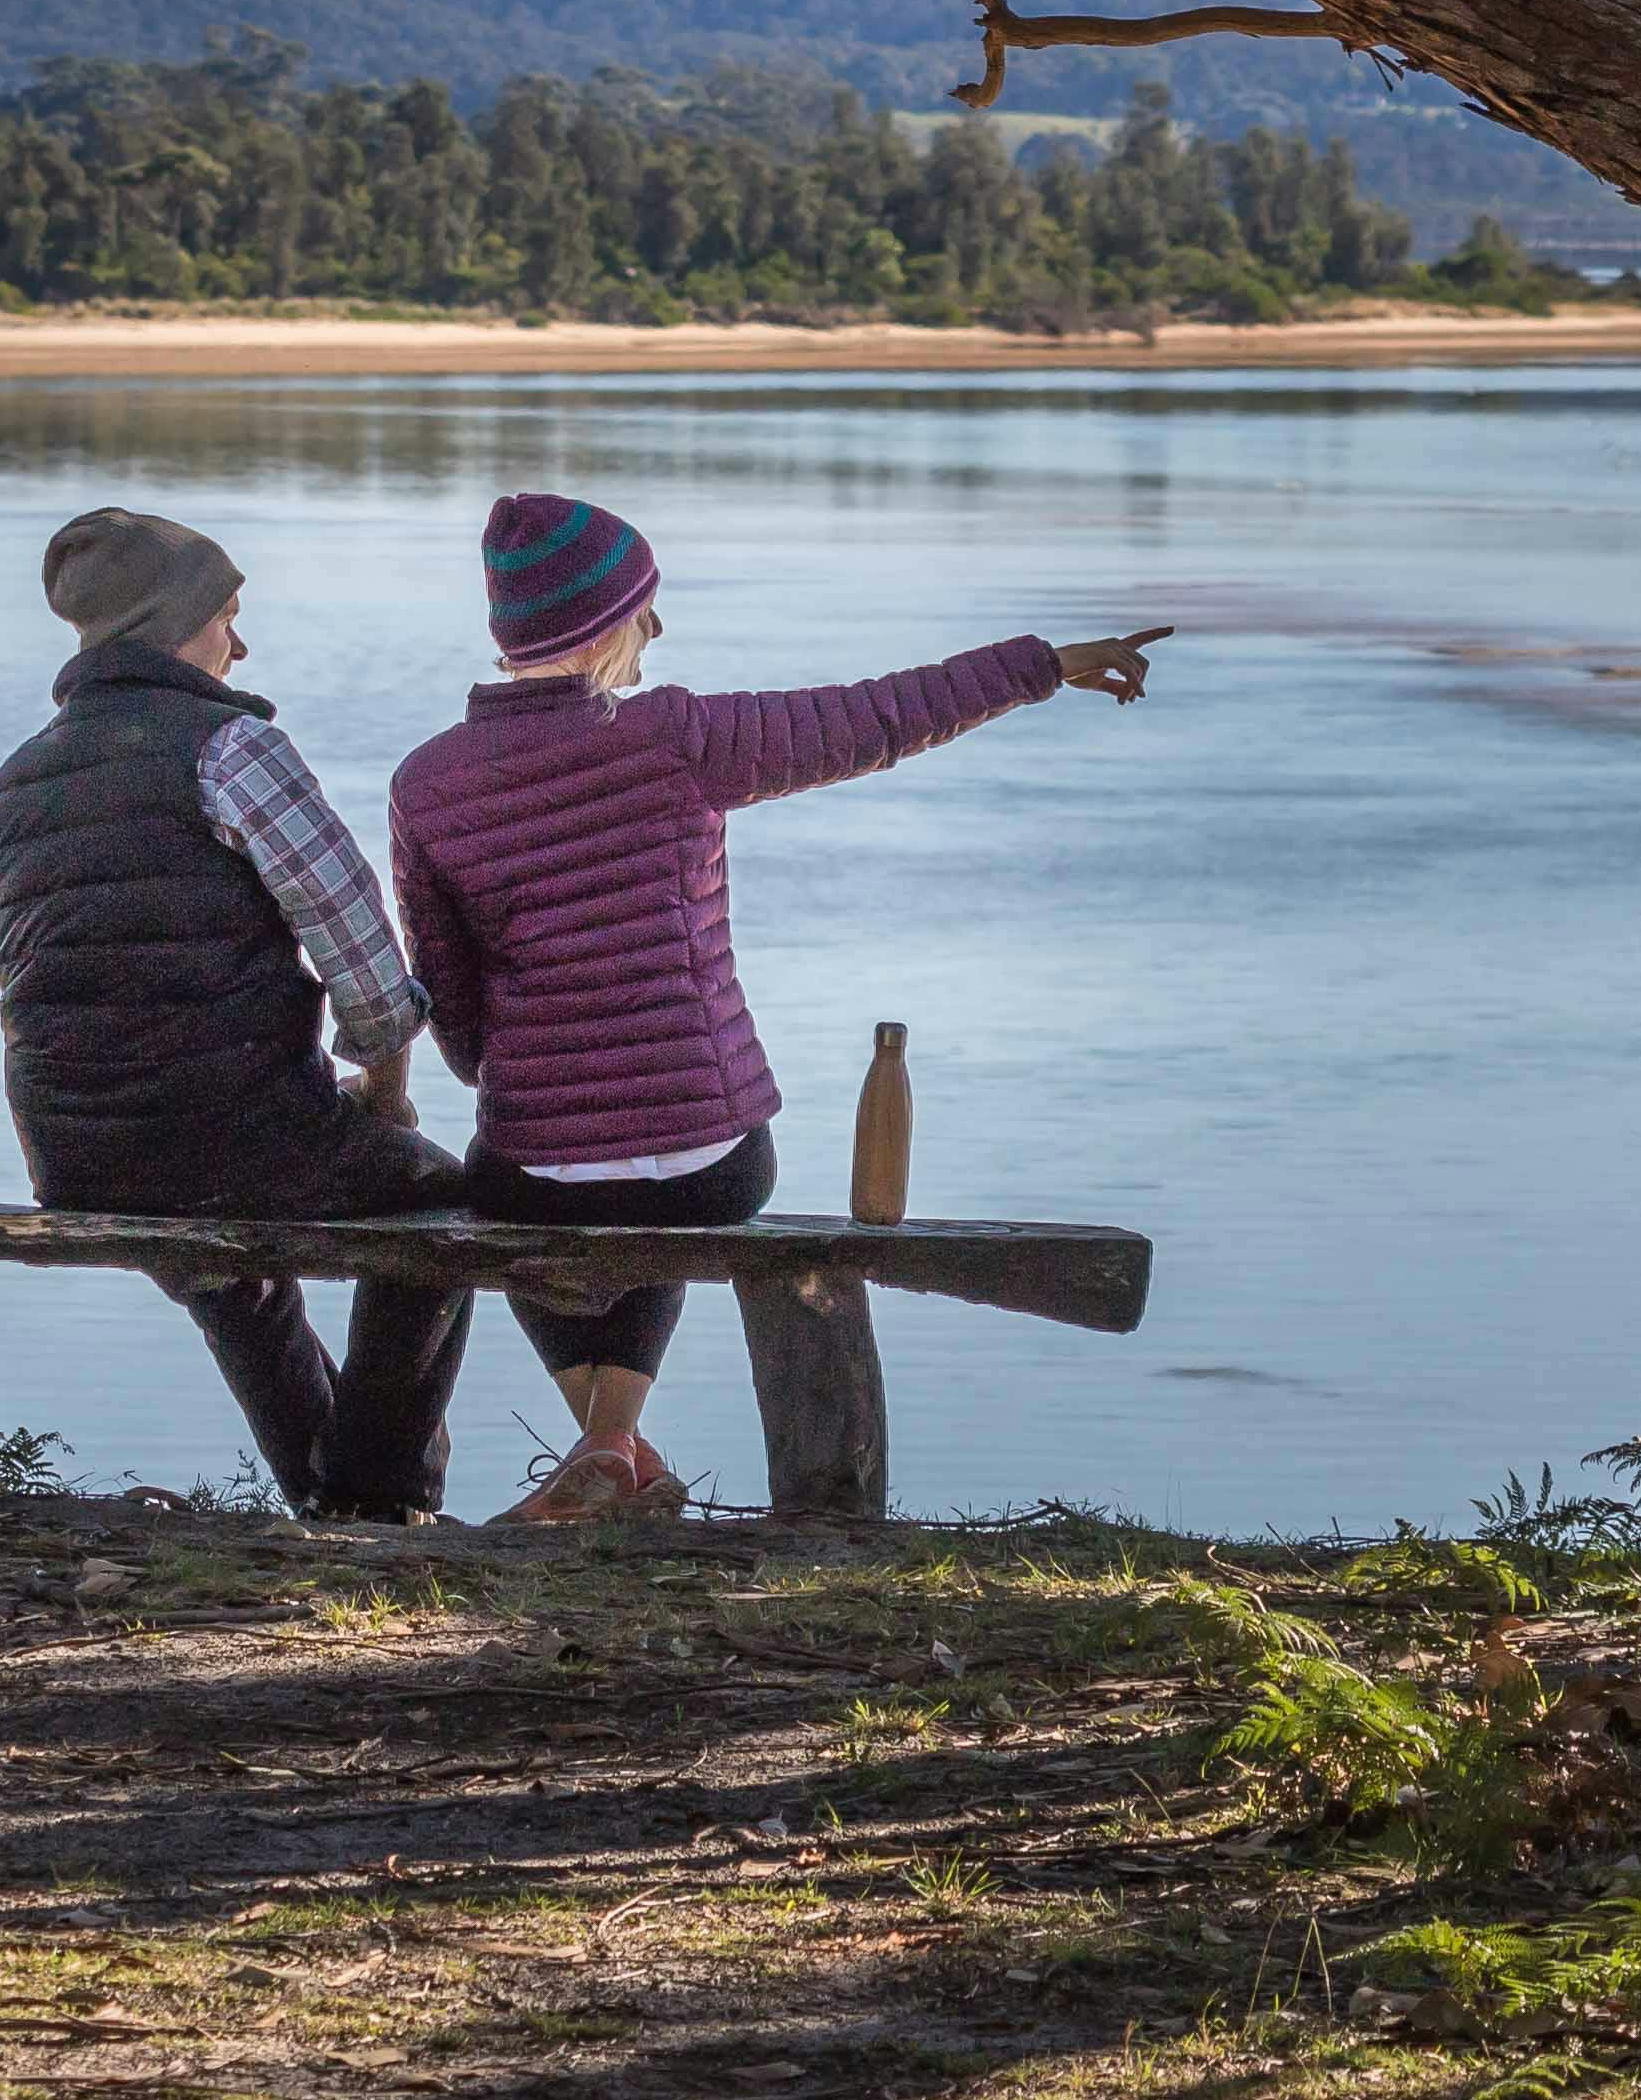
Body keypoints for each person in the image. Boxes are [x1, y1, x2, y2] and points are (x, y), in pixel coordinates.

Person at [389, 490, 1164, 1525]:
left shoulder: (424, 783)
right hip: (713, 1166)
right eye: (643, 609)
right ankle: (618, 1452)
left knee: (517, 1188)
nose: (655, 630)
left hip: (538, 1169)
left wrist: (520, 1081)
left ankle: (613, 1454)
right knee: (667, 1153)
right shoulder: (683, 736)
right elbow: (874, 718)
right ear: (601, 625)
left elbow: (450, 1001)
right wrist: (1042, 664)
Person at [0, 505, 473, 1520]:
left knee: (228, 1279)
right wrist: (382, 1086)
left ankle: (334, 1503)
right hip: (230, 1130)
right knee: (442, 1210)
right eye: (226, 616)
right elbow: (358, 950)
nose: (238, 643)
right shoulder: (231, 749)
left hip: (71, 1153)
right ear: (173, 622)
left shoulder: (3, 789)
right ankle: (375, 1503)